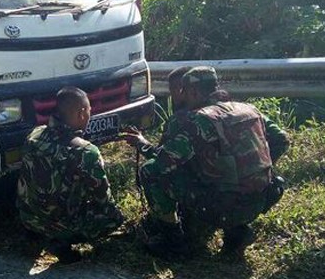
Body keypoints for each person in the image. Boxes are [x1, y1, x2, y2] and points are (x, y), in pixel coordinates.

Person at [121, 66, 289, 257]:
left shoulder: (199, 120)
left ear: (193, 91)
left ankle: (173, 241)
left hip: (222, 205)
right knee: (228, 178)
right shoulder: (249, 109)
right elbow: (282, 139)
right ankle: (237, 231)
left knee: (150, 171)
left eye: (184, 91)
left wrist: (141, 143)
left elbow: (165, 161)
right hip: (262, 197)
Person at [17, 86, 125, 263]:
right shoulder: (86, 152)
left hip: (28, 218)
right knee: (113, 218)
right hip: (61, 224)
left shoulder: (34, 135)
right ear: (82, 113)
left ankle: (35, 235)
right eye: (90, 110)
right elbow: (103, 199)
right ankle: (61, 241)